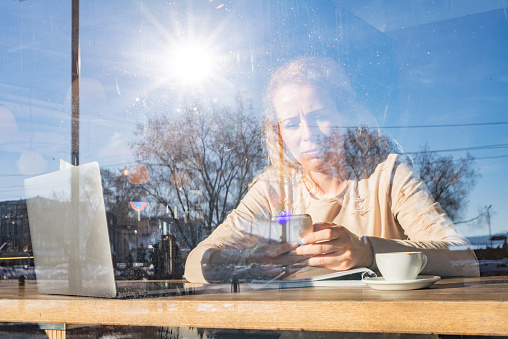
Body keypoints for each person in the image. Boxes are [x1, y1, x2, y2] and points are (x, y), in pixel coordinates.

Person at [184, 57, 479, 284]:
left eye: (320, 116)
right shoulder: (275, 187)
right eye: (291, 124)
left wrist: (367, 252)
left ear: (346, 116)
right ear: (279, 133)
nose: (308, 134)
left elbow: (465, 259)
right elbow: (196, 262)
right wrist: (246, 262)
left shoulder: (387, 175)